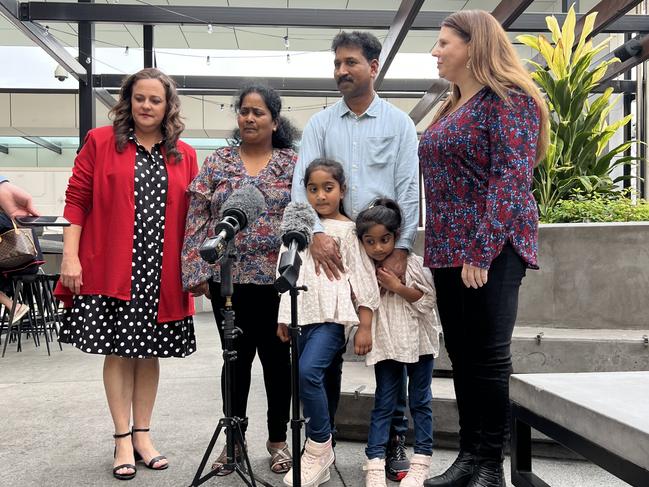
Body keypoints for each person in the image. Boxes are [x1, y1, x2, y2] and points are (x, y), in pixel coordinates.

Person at [419, 11, 549, 487]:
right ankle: (470, 458)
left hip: (489, 249)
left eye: (443, 43)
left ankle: (490, 465)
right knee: (463, 355)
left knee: (488, 357)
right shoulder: (449, 106)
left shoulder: (509, 102)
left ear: (474, 47)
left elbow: (512, 181)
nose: (435, 52)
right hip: (447, 249)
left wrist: (482, 249)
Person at [54, 67, 198, 481]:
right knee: (117, 350)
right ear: (128, 102)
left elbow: (192, 217)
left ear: (168, 105)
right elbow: (77, 200)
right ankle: (121, 439)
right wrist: (70, 257)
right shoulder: (100, 142)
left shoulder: (183, 154)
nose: (147, 106)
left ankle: (143, 436)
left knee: (147, 352)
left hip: (160, 271)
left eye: (156, 100)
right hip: (112, 265)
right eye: (140, 99)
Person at [292, 30, 420, 481]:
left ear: (374, 66)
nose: (341, 71)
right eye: (337, 64)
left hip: (383, 253)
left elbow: (408, 188)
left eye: (350, 63)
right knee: (322, 360)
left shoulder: (399, 124)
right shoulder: (321, 125)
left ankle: (394, 441)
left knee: (390, 355)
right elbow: (298, 190)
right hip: (329, 255)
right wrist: (315, 234)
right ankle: (319, 446)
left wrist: (402, 249)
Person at [181, 84, 299, 476]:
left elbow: (303, 213)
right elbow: (197, 214)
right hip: (227, 281)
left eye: (258, 112)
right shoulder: (218, 162)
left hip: (276, 282)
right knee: (235, 360)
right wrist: (196, 269)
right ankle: (233, 440)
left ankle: (277, 440)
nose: (249, 118)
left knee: (276, 361)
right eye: (244, 111)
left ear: (274, 121)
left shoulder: (291, 163)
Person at [277, 158, 380, 487]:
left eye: (328, 188)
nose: (320, 196)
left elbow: (363, 281)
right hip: (300, 317)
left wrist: (364, 325)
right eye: (313, 189)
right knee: (323, 381)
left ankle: (318, 446)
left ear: (342, 191)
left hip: (332, 320)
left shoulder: (349, 231)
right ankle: (326, 445)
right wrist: (282, 316)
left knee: (309, 373)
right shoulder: (298, 230)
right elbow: (286, 272)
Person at [356, 199, 440, 487]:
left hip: (419, 345)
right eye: (370, 241)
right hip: (387, 346)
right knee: (384, 403)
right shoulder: (365, 271)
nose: (378, 247)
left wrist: (398, 287)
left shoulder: (413, 265)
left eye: (385, 239)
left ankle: (422, 461)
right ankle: (375, 462)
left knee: (420, 402)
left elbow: (427, 302)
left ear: (397, 235)